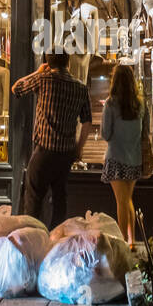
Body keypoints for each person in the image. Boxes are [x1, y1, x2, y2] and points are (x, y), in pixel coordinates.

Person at [12, 52, 92, 227]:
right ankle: (56, 239)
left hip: (44, 150)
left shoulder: (43, 79)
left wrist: (38, 72)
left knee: (33, 197)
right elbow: (87, 121)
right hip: (66, 152)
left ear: (48, 63)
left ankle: (33, 236)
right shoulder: (80, 87)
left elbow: (16, 88)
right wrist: (79, 148)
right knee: (59, 199)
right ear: (68, 63)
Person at [101, 65, 147, 249]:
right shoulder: (141, 104)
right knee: (128, 199)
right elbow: (146, 131)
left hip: (115, 158)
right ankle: (131, 240)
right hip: (134, 159)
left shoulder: (111, 104)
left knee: (121, 201)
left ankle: (121, 243)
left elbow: (105, 134)